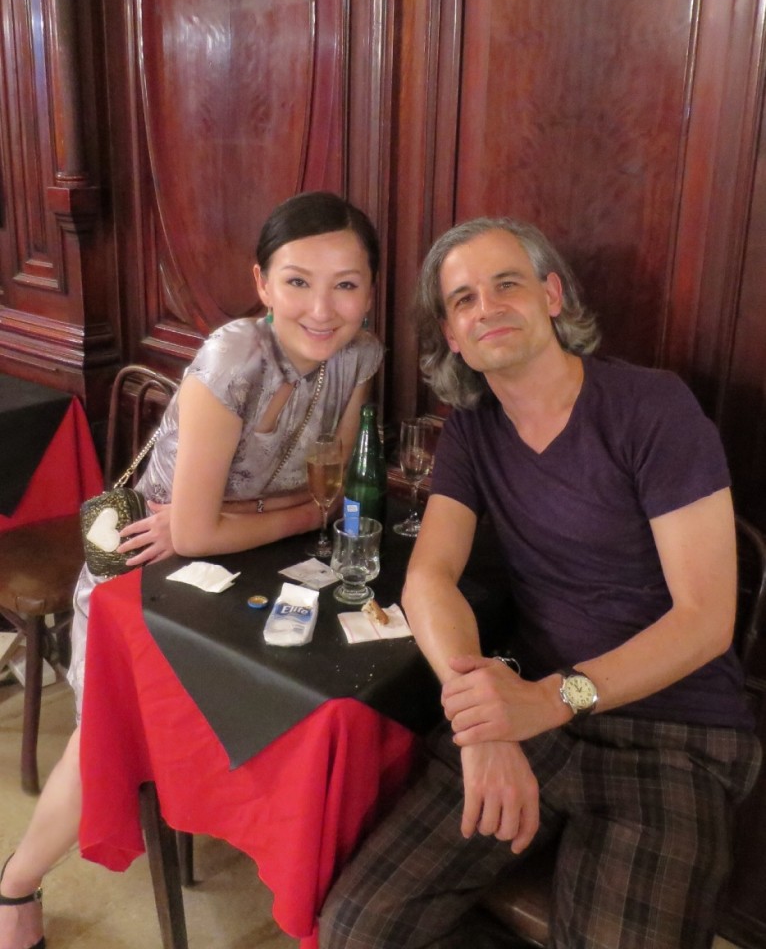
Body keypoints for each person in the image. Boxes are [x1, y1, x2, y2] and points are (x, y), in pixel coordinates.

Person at [319, 217, 762, 949]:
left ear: (552, 295)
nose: (486, 306)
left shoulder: (652, 407)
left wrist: (545, 702)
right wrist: (481, 722)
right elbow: (429, 578)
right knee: (358, 930)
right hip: (525, 712)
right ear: (453, 336)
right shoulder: (470, 429)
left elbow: (706, 619)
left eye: (506, 284)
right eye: (462, 300)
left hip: (674, 734)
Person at [0, 190, 384, 949]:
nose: (323, 307)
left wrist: (243, 524)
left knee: (318, 693)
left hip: (256, 560)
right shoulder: (235, 354)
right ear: (263, 283)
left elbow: (326, 490)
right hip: (147, 564)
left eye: (347, 282)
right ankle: (15, 884)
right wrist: (283, 519)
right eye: (298, 280)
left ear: (371, 288)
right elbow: (212, 527)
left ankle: (273, 843)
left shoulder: (363, 356)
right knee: (111, 730)